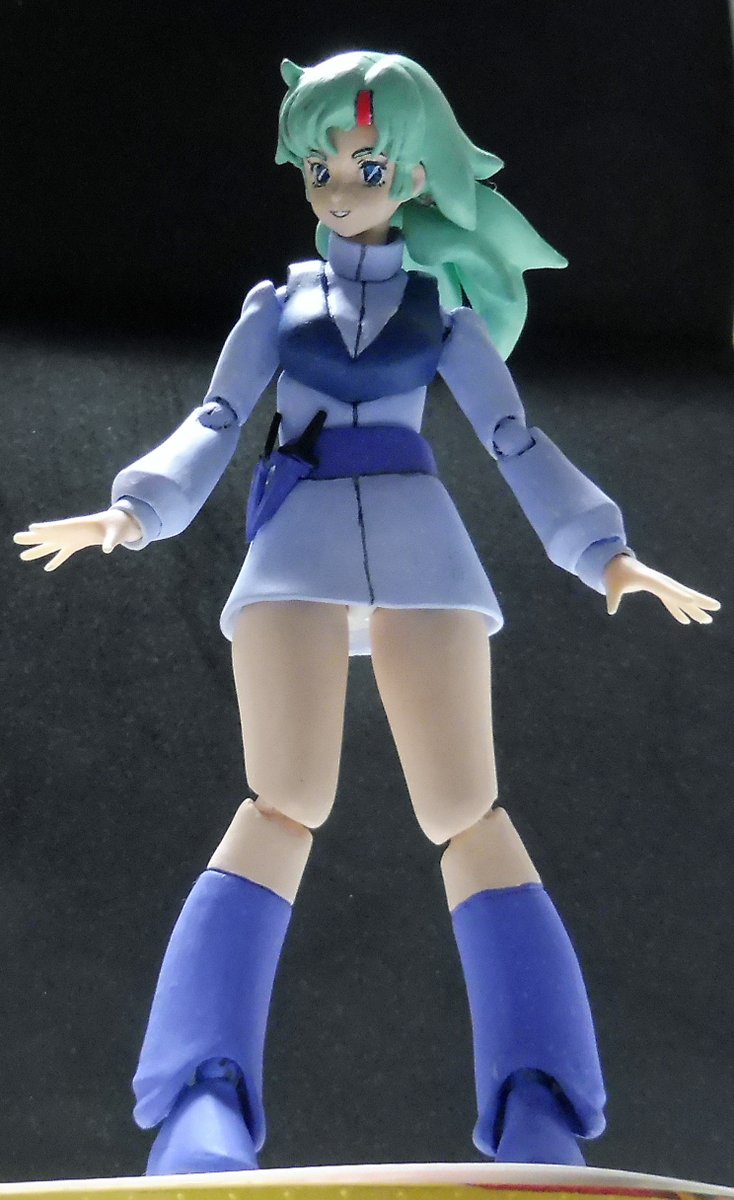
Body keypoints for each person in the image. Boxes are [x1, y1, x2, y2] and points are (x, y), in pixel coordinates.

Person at [14, 50, 719, 1174]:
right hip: (295, 541)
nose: (339, 189)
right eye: (319, 168)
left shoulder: (442, 315)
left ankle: (537, 1101)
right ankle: (201, 1097)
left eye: (368, 166)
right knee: (284, 800)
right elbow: (213, 420)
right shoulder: (276, 304)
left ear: (417, 174)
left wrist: (604, 551)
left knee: (467, 810)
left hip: (419, 542)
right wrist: (132, 510)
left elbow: (514, 439)